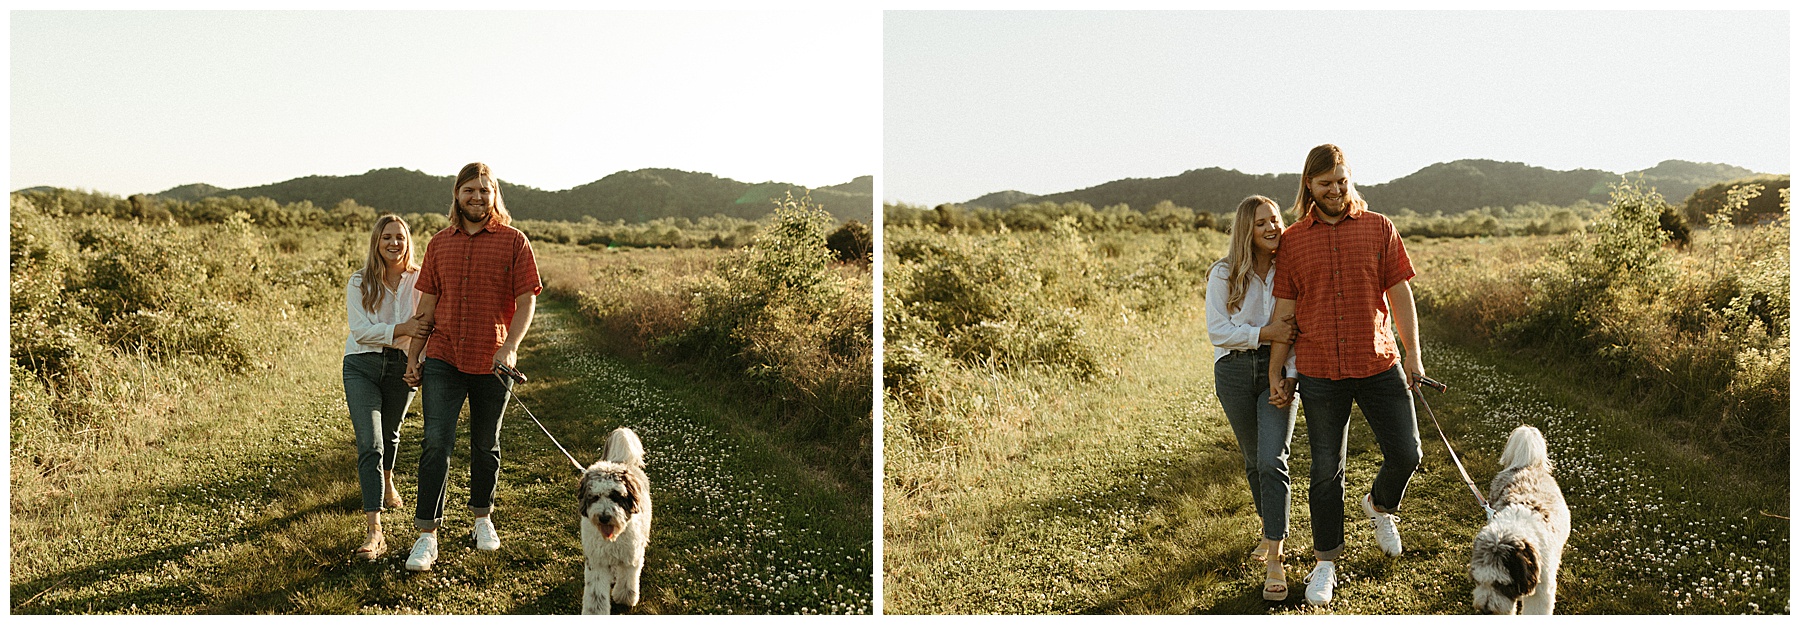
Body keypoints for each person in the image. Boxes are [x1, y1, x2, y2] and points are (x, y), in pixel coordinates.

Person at [1268, 144, 1426, 606]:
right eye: (1325, 184)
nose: (1335, 190)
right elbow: (1286, 313)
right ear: (1308, 187)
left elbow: (1400, 298)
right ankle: (1325, 563)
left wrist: (1413, 355)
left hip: (1378, 363)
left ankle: (1379, 505)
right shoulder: (1295, 240)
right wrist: (1278, 368)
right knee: (1324, 472)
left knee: (1408, 452)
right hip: (1319, 372)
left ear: (1349, 178)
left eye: (1341, 180)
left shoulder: (1379, 228)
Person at [401, 162, 543, 572]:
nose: (477, 197)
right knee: (435, 444)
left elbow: (526, 300)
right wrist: (414, 355)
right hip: (444, 355)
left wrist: (511, 347)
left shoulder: (515, 242)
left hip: (492, 359)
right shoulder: (439, 243)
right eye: (470, 190)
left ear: (494, 195)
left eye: (485, 190)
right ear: (457, 195)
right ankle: (427, 534)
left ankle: (483, 517)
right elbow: (426, 306)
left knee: (485, 444)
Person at [1205, 195, 1300, 601]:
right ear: (1247, 228)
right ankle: (1270, 525)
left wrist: (1290, 375)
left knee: (1271, 458)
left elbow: (1295, 328)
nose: (1272, 227)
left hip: (1278, 370)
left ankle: (1275, 557)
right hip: (1234, 371)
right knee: (1251, 458)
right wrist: (1265, 333)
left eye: (1276, 220)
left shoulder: (1290, 271)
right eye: (1261, 222)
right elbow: (1218, 331)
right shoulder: (1224, 273)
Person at [342, 213, 431, 560]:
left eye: (400, 237)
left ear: (408, 241)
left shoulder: (422, 279)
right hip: (361, 365)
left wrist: (415, 359)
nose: (394, 243)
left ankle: (388, 479)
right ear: (376, 244)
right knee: (371, 442)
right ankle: (374, 531)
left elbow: (426, 324)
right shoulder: (359, 281)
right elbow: (360, 331)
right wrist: (404, 329)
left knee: (392, 434)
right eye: (386, 238)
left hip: (402, 367)